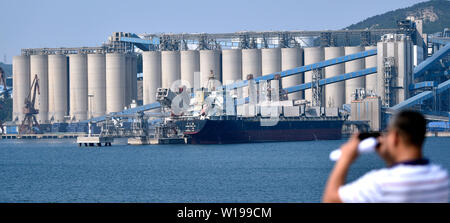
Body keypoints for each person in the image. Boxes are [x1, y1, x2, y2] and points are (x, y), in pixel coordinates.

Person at [322, 110, 449, 203]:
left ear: (395, 137)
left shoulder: (379, 183)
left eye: (387, 133)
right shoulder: (441, 178)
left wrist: (345, 158)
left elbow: (330, 199)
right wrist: (389, 156)